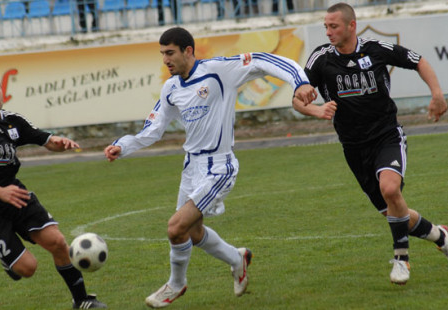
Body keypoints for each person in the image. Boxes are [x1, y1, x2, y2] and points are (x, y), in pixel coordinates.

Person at [104, 27, 316, 308]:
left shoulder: (218, 71)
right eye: (162, 54)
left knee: (174, 227)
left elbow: (265, 59)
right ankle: (236, 259)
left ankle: (176, 285)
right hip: (191, 167)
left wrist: (299, 81)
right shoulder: (171, 88)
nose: (165, 60)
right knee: (190, 232)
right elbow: (152, 130)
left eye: (170, 53)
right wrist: (123, 146)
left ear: (188, 51)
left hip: (219, 166)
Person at [292, 2, 448, 285]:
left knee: (390, 188)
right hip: (354, 147)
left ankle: (401, 259)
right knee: (396, 213)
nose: (328, 32)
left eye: (333, 26)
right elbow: (297, 99)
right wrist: (314, 109)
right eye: (325, 26)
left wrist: (437, 94)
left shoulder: (375, 48)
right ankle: (439, 235)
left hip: (386, 135)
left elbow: (419, 61)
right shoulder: (320, 59)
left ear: (351, 25)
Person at [0, 70, 106, 309]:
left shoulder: (12, 120)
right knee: (28, 268)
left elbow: (45, 140)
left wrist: (60, 143)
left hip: (14, 194)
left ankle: (82, 300)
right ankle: (9, 262)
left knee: (57, 241)